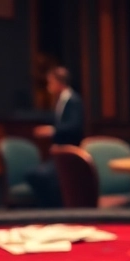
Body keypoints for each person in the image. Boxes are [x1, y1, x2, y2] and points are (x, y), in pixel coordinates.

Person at [26, 67, 85, 206]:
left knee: (40, 175)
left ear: (59, 83)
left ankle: (54, 211)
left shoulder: (73, 100)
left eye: (50, 82)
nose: (48, 87)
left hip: (70, 154)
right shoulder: (60, 100)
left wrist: (52, 130)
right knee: (35, 174)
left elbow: (75, 126)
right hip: (59, 153)